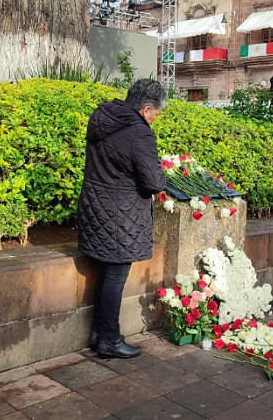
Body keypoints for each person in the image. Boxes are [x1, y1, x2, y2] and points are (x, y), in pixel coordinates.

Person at [77, 79, 167, 358]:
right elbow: (154, 181)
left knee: (105, 274)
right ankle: (110, 340)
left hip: (95, 207)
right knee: (115, 277)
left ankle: (98, 334)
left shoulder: (102, 117)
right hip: (120, 215)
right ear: (146, 109)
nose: (156, 119)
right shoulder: (139, 133)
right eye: (156, 113)